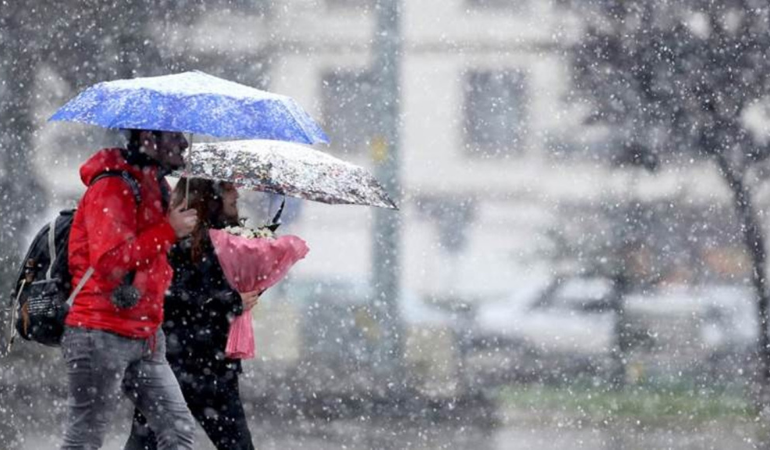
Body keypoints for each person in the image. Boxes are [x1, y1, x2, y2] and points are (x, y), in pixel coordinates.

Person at [61, 130, 198, 450]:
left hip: (146, 333)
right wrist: (169, 230)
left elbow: (151, 257)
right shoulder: (113, 185)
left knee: (177, 431)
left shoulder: (156, 186)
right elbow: (110, 261)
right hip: (100, 329)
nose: (184, 143)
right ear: (149, 138)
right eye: (174, 136)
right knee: (85, 437)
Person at [125, 177, 260, 450]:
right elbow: (173, 299)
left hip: (215, 367)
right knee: (146, 442)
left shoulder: (232, 240)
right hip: (175, 364)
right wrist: (231, 301)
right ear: (208, 196)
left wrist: (252, 287)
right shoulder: (176, 241)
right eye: (227, 187)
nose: (236, 193)